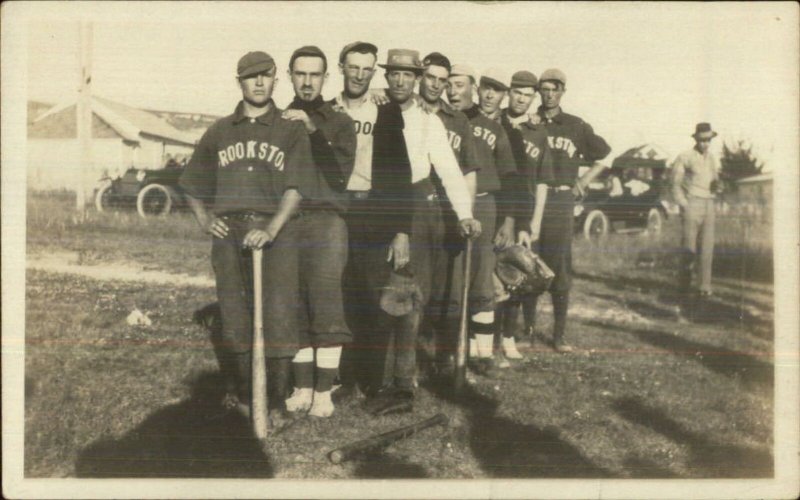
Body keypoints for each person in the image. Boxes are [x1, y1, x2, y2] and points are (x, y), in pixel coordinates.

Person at [178, 51, 318, 422]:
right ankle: (243, 396)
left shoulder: (290, 129)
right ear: (238, 82)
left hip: (278, 228)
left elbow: (298, 187)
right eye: (250, 77)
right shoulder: (221, 130)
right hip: (229, 230)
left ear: (276, 80)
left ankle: (273, 400)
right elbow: (191, 183)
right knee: (234, 313)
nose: (258, 83)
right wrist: (205, 218)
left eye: (265, 76)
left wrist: (271, 228)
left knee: (279, 312)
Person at [360, 48, 480, 414]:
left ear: (417, 79)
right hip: (368, 207)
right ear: (386, 76)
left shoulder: (428, 122)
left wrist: (464, 213)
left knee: (407, 300)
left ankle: (401, 385)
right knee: (370, 296)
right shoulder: (370, 109)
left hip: (411, 209)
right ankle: (371, 379)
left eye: (407, 75)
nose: (399, 80)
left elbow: (448, 169)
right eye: (394, 73)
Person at [281, 46, 357, 417]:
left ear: (326, 78)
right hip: (287, 221)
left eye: (315, 74)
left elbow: (340, 174)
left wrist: (312, 129)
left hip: (326, 220)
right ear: (290, 76)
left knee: (326, 302)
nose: (307, 81)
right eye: (300, 74)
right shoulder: (278, 118)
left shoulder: (339, 121)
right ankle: (302, 386)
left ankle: (324, 392)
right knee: (292, 303)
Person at [530, 68, 611, 352]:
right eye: (545, 89)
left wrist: (582, 182)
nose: (549, 94)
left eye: (555, 89)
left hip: (561, 201)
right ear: (538, 91)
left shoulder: (575, 126)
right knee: (528, 261)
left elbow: (604, 156)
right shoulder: (530, 121)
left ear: (563, 91)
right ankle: (523, 331)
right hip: (532, 199)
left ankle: (559, 335)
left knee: (559, 266)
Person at [445, 65, 519, 372]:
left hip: (485, 204)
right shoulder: (438, 120)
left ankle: (483, 353)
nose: (453, 91)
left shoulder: (489, 126)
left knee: (481, 277)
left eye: (459, 85)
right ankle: (449, 352)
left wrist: (509, 219)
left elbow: (510, 177)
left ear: (472, 89)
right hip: (448, 205)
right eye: (448, 85)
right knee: (451, 277)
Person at [415, 54, 481, 371]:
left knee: (446, 290)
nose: (436, 85)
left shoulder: (457, 120)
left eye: (442, 80)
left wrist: (464, 214)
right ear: (420, 76)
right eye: (430, 77)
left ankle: (443, 357)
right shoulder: (402, 109)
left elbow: (466, 172)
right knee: (414, 287)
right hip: (414, 209)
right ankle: (406, 360)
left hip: (446, 211)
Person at [329, 41, 381, 400]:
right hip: (335, 205)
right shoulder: (328, 110)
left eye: (367, 69)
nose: (360, 75)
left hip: (369, 205)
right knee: (335, 289)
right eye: (354, 67)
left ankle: (368, 378)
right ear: (342, 67)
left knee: (368, 292)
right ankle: (339, 375)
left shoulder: (383, 110)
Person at [496, 69, 541, 349]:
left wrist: (524, 222)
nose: (522, 100)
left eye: (528, 95)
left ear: (533, 98)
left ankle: (509, 336)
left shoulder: (537, 129)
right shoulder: (494, 119)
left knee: (514, 276)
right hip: (491, 206)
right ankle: (482, 338)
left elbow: (528, 182)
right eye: (517, 93)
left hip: (517, 209)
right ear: (508, 93)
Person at [671, 122, 720, 298]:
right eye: (702, 140)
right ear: (696, 139)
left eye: (708, 140)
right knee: (688, 248)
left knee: (707, 248)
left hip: (709, 204)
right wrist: (684, 204)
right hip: (692, 203)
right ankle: (684, 286)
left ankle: (704, 287)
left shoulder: (712, 158)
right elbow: (675, 184)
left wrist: (717, 188)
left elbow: (714, 181)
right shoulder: (685, 157)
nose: (705, 144)